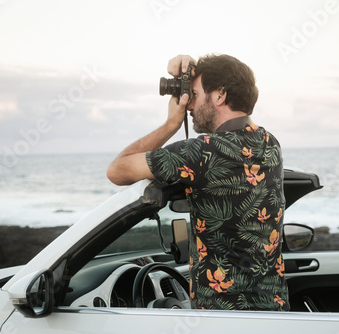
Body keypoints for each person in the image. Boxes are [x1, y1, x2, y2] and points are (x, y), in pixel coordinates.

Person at [107, 54, 288, 311]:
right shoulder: (269, 142)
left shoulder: (201, 153)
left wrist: (171, 124)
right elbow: (222, 73)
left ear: (220, 95)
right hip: (275, 311)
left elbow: (117, 170)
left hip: (225, 319)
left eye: (192, 94)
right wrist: (187, 68)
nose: (188, 105)